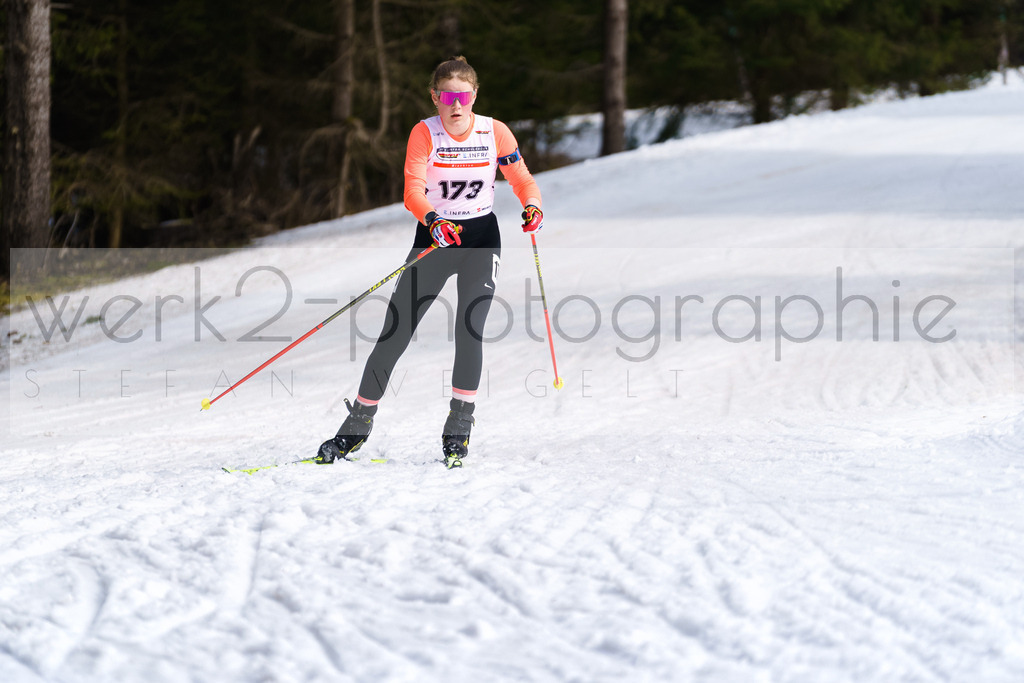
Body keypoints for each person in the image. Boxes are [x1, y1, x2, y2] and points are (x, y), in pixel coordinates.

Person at [316, 56, 544, 469]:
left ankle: (458, 430)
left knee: (469, 329)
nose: (455, 105)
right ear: (435, 98)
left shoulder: (496, 132)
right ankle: (356, 427)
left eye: (462, 96)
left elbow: (523, 180)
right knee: (396, 332)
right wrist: (433, 220)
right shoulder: (424, 133)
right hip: (435, 239)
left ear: (474, 95)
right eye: (445, 96)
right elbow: (412, 192)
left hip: (480, 241)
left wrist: (532, 206)